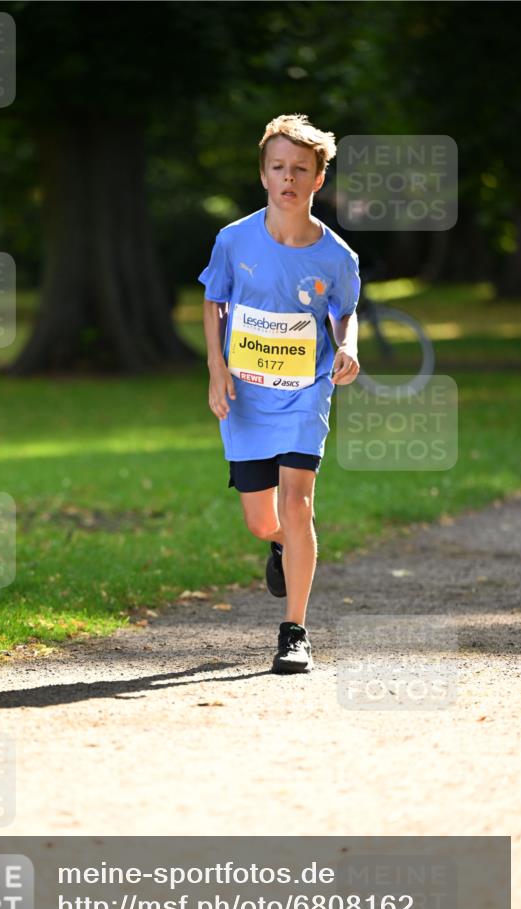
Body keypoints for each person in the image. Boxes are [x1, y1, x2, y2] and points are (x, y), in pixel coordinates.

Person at [198, 113, 361, 675]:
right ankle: (278, 548)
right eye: (278, 168)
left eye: (300, 169)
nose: (288, 178)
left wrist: (348, 346)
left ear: (318, 179)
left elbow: (345, 312)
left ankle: (294, 632)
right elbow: (215, 300)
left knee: (298, 505)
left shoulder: (336, 256)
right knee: (263, 522)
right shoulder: (233, 239)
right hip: (245, 394)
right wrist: (217, 369)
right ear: (263, 174)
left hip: (305, 390)